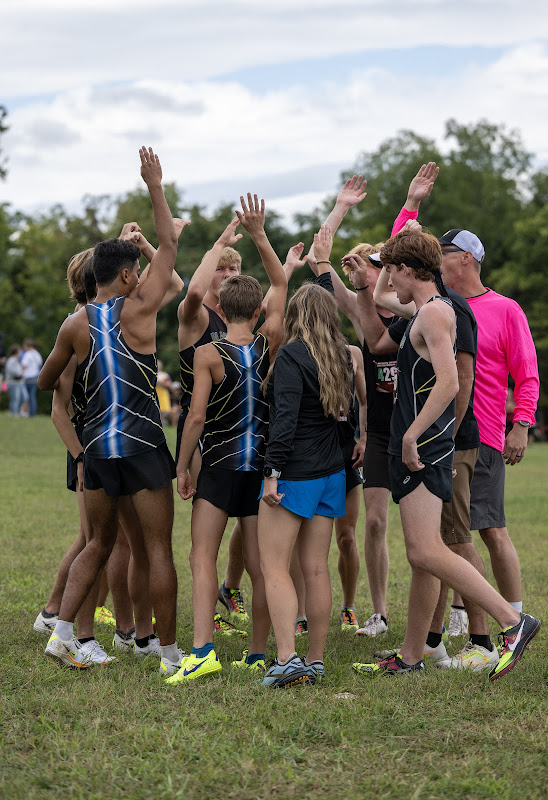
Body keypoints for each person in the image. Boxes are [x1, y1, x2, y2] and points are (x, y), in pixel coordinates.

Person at [348, 229, 540, 681]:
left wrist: (413, 435)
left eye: (391, 267)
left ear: (406, 270)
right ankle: (412, 655)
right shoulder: (428, 309)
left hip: (426, 448)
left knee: (426, 550)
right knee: (423, 554)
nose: (386, 277)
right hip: (426, 445)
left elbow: (451, 382)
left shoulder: (435, 314)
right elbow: (377, 303)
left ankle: (513, 623)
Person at [38, 147, 184, 676]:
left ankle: (62, 633)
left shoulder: (74, 325)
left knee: (97, 543)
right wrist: (155, 185)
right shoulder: (141, 308)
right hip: (143, 446)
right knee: (158, 550)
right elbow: (169, 242)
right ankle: (170, 657)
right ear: (125, 276)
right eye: (138, 271)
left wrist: (82, 392)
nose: (142, 277)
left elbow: (44, 381)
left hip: (97, 450)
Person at [168, 194, 287, 684]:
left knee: (202, 557)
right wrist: (260, 235)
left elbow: (195, 417)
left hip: (217, 466)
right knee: (262, 568)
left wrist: (181, 465)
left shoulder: (207, 354)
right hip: (259, 473)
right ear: (259, 309)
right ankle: (258, 653)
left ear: (222, 305)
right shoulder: (271, 342)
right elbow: (282, 281)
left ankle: (201, 651)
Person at [258, 225, 353, 688]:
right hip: (332, 473)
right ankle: (314, 659)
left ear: (297, 314)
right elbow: (346, 418)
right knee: (316, 568)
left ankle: (287, 659)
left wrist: (272, 475)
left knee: (276, 566)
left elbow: (285, 422)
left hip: (294, 472)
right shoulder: (340, 354)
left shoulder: (294, 355)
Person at [176, 218, 250, 634]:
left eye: (233, 269)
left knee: (242, 526)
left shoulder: (243, 328)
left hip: (239, 435)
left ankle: (228, 592)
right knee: (204, 540)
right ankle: (206, 621)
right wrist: (219, 242)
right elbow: (187, 290)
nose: (226, 275)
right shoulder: (198, 316)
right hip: (202, 435)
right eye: (219, 268)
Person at [21, 339, 43, 416]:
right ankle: (32, 413)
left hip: (27, 377)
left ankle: (24, 412)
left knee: (25, 397)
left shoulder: (28, 354)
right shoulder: (37, 354)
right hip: (35, 377)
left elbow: (24, 366)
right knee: (32, 396)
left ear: (27, 346)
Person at [5, 344, 25, 415]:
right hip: (12, 382)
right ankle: (14, 413)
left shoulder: (17, 360)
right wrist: (20, 373)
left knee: (24, 397)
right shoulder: (11, 360)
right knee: (15, 399)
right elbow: (11, 370)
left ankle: (16, 411)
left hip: (18, 382)